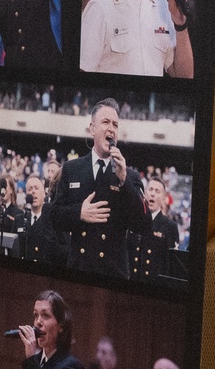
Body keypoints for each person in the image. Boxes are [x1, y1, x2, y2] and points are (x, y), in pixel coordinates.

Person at [49, 99, 146, 279]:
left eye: (115, 125)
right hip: (79, 268)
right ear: (92, 128)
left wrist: (124, 180)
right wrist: (79, 212)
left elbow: (143, 224)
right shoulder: (72, 168)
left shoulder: (130, 176)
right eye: (106, 122)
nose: (111, 129)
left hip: (114, 272)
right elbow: (54, 217)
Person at [130, 175, 181, 278]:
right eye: (150, 189)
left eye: (157, 191)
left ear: (163, 199)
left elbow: (171, 264)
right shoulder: (133, 220)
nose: (152, 194)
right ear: (144, 194)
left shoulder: (170, 226)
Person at [19, 172, 66, 266]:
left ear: (44, 193)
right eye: (29, 189)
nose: (33, 191)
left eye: (36, 188)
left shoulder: (52, 218)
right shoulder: (19, 220)